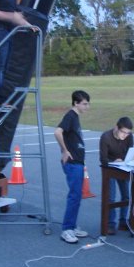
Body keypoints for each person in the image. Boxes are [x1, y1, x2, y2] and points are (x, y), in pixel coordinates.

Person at [54, 90, 91, 244]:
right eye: (84, 103)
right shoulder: (70, 116)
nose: (87, 106)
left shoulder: (75, 117)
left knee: (77, 196)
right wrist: (65, 150)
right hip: (73, 163)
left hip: (78, 163)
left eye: (88, 103)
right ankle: (67, 229)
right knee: (74, 196)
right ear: (75, 103)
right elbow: (57, 132)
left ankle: (72, 226)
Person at [99, 117, 134, 234]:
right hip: (109, 169)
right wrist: (114, 161)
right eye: (123, 132)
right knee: (111, 197)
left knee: (126, 196)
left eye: (127, 133)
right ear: (116, 127)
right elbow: (103, 159)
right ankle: (110, 223)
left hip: (123, 168)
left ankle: (123, 221)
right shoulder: (106, 137)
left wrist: (124, 160)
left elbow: (131, 154)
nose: (125, 135)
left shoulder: (129, 137)